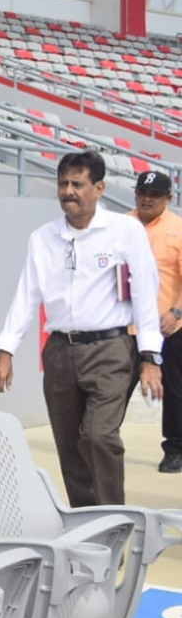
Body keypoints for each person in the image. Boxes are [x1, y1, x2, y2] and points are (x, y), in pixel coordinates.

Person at [0, 151, 163, 507]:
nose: (69, 191)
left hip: (110, 350)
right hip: (59, 352)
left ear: (99, 188)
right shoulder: (43, 237)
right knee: (69, 446)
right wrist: (5, 350)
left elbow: (146, 294)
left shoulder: (125, 231)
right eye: (63, 183)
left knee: (99, 437)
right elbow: (26, 295)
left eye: (77, 184)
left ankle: (114, 520)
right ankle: (89, 528)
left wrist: (150, 357)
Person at [130, 171, 182, 473]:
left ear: (169, 199)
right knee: (115, 386)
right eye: (142, 193)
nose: (147, 199)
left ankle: (175, 448)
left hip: (168, 325)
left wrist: (176, 312)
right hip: (127, 326)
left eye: (155, 195)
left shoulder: (178, 228)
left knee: (174, 390)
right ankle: (100, 441)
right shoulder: (122, 224)